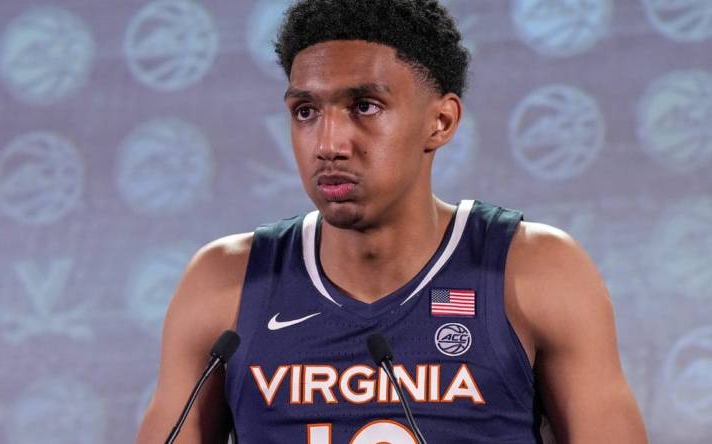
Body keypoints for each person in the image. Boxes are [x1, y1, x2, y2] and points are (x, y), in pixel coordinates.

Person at [135, 0, 647, 442]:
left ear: (440, 121)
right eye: (306, 111)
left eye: (364, 105)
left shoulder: (535, 271)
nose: (329, 143)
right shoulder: (225, 282)